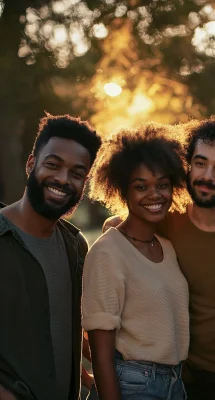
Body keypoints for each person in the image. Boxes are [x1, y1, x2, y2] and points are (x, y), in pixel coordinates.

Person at [104, 116, 215, 400]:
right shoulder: (167, 219)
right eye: (200, 163)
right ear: (187, 165)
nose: (207, 176)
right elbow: (113, 227)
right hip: (173, 375)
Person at [82, 124, 190, 400]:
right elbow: (101, 356)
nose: (154, 195)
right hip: (131, 384)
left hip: (175, 383)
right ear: (122, 191)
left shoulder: (167, 247)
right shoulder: (107, 253)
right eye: (141, 187)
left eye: (162, 185)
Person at [0, 114, 102, 400]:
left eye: (77, 173)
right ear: (31, 163)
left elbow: (61, 326)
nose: (62, 179)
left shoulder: (75, 245)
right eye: (53, 165)